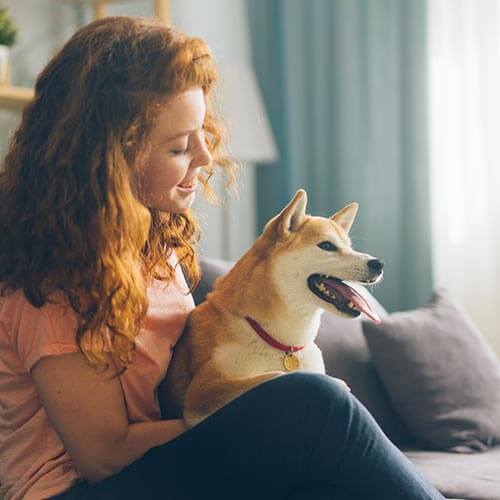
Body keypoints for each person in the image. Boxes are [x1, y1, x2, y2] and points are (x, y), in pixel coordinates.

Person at [0, 15, 445, 500]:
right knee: (315, 404)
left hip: (162, 466)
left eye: (201, 135)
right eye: (178, 146)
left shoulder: (158, 255)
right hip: (76, 489)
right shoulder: (54, 280)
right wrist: (266, 411)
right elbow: (104, 455)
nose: (206, 159)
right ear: (111, 158)